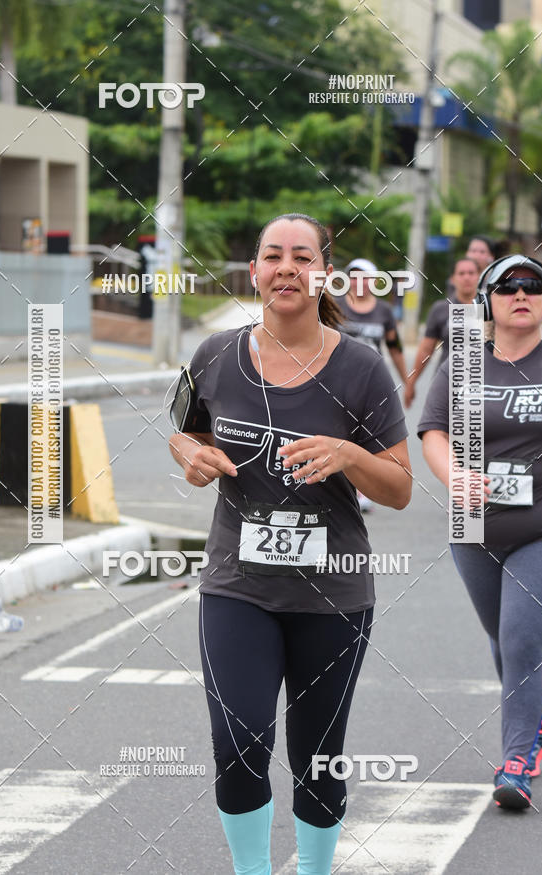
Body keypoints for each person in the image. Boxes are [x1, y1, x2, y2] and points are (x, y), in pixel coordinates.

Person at [169, 213, 411, 873]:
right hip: (235, 586)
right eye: (272, 255)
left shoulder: (360, 368)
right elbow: (182, 429)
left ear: (321, 272)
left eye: (301, 256)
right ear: (254, 271)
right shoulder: (214, 354)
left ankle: (312, 868)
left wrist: (346, 454)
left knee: (318, 753)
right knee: (239, 739)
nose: (286, 267)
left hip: (332, 594)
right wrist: (190, 452)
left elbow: (399, 488)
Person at [418, 254, 542, 810]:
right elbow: (432, 431)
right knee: (504, 637)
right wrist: (455, 476)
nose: (521, 294)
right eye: (507, 287)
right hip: (472, 524)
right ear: (487, 302)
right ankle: (535, 727)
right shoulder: (463, 363)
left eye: (534, 286)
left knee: (525, 639)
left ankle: (516, 761)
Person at [337, 258, 407, 513]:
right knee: (341, 436)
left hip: (372, 385)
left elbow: (395, 347)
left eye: (364, 277)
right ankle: (342, 489)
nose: (358, 282)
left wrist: (408, 381)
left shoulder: (384, 312)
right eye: (353, 277)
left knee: (367, 440)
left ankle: (362, 490)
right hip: (338, 381)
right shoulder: (335, 306)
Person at [403, 256, 479, 409]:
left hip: (482, 385)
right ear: (453, 279)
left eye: (471, 273)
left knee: (474, 431)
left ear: (479, 276)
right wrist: (411, 382)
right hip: (446, 384)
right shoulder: (441, 309)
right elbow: (426, 350)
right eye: (461, 273)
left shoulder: (492, 308)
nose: (466, 277)